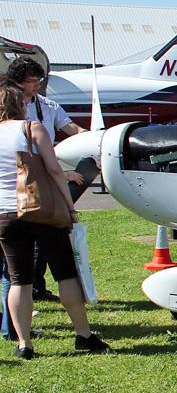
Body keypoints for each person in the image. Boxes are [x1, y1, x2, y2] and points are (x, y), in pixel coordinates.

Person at [0, 84, 107, 359]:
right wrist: (69, 207)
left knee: (18, 279)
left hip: (5, 214)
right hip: (40, 210)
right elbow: (53, 169)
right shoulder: (31, 128)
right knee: (65, 273)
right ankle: (83, 334)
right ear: (20, 105)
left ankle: (25, 344)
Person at [5, 58, 88, 302]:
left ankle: (36, 290)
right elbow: (34, 163)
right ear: (17, 83)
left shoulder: (47, 106)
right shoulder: (15, 117)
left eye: (39, 81)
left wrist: (93, 137)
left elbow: (71, 127)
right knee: (21, 264)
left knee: (33, 254)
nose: (37, 87)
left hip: (40, 187)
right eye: (32, 82)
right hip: (19, 190)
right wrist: (63, 177)